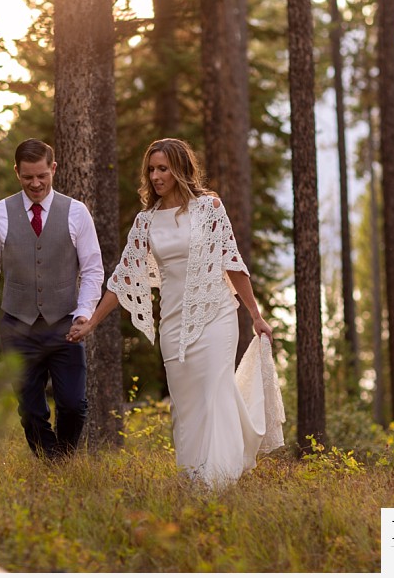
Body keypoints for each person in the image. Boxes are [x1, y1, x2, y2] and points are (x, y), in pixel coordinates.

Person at [67, 138, 283, 487]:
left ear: (180, 169)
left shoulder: (210, 208)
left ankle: (216, 483)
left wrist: (255, 315)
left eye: (163, 168)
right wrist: (92, 320)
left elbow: (233, 264)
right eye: (151, 169)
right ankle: (194, 476)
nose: (155, 176)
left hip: (215, 315)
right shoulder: (146, 222)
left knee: (214, 393)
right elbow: (123, 279)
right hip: (172, 322)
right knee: (187, 406)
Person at [0, 138, 104, 459]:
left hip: (65, 326)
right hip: (18, 327)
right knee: (30, 411)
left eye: (42, 176)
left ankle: (62, 458)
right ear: (17, 172)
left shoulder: (76, 212)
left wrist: (84, 313)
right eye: (28, 177)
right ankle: (50, 462)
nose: (36, 184)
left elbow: (93, 270)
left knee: (73, 404)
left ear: (53, 169)